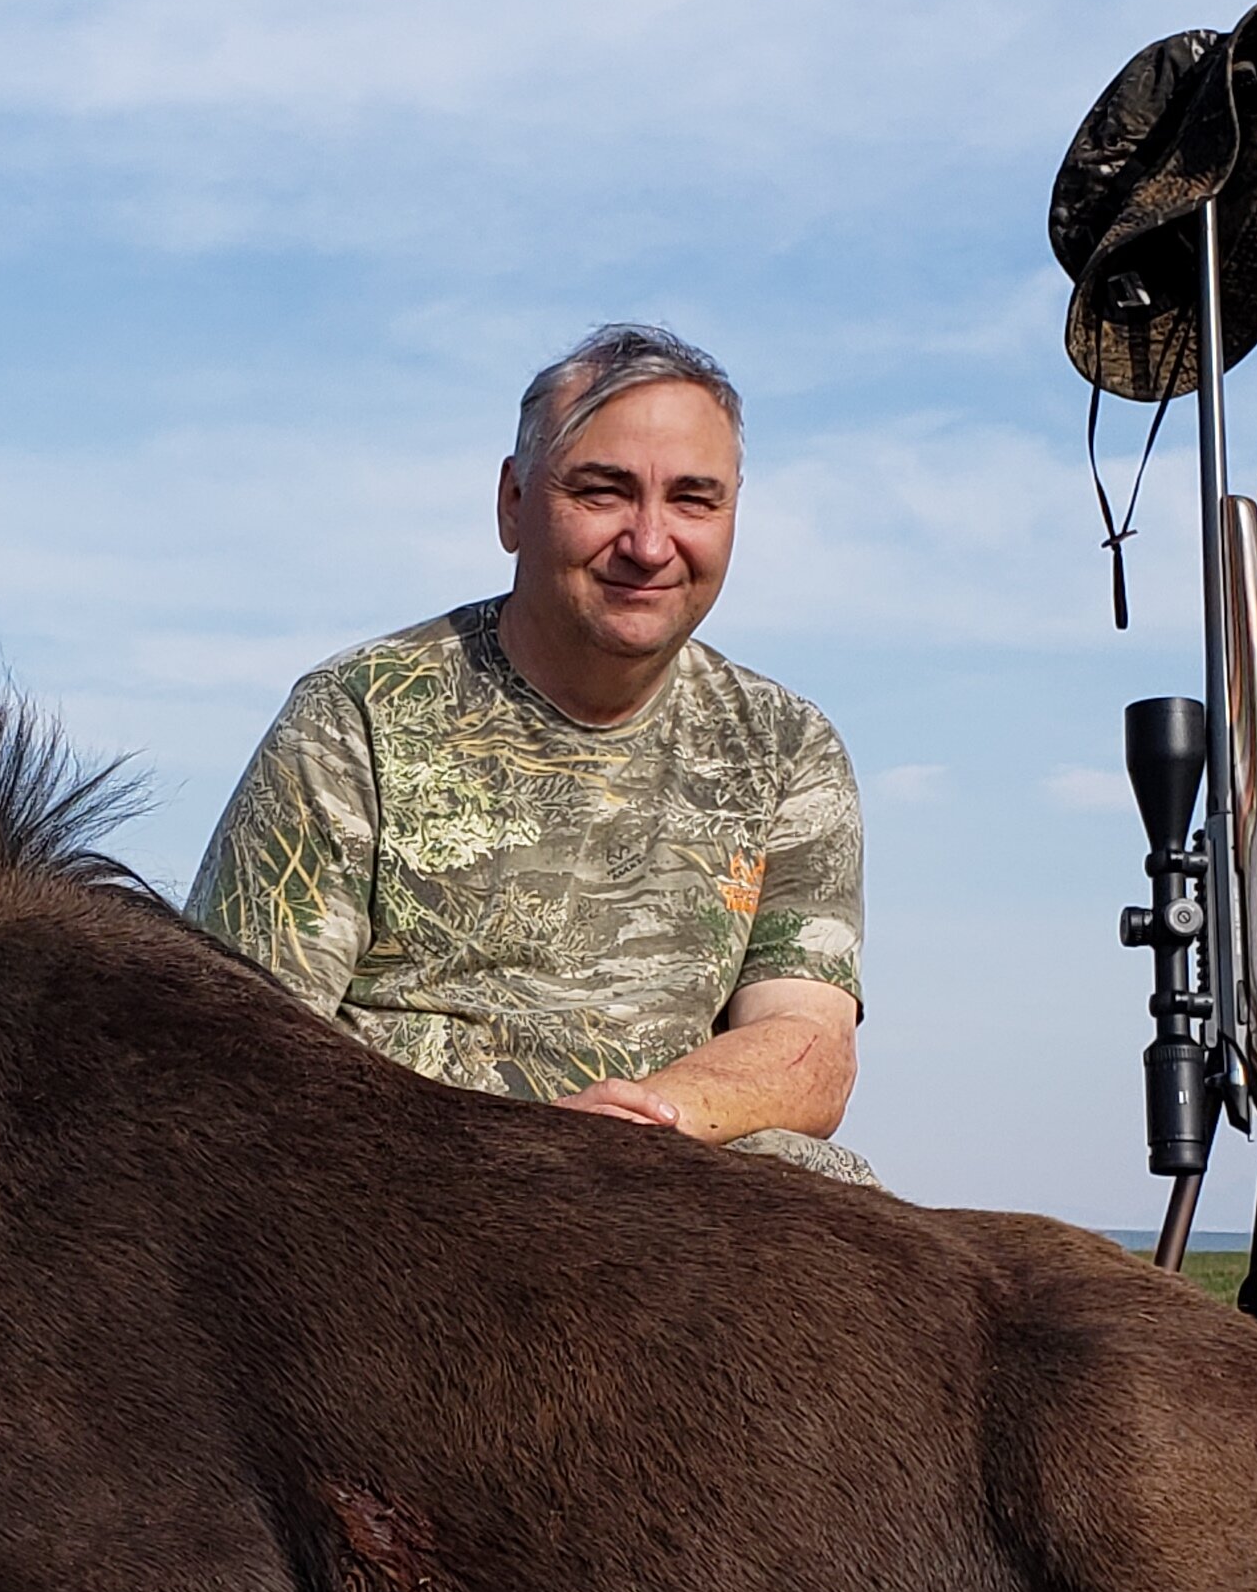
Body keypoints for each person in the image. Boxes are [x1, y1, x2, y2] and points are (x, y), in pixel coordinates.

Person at [189, 322, 876, 1186]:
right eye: (603, 491)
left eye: (694, 500)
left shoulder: (786, 745)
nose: (650, 543)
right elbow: (236, 1061)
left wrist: (636, 1125)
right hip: (406, 1204)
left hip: (670, 1194)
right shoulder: (353, 716)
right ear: (514, 504)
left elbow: (809, 1050)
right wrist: (518, 1164)